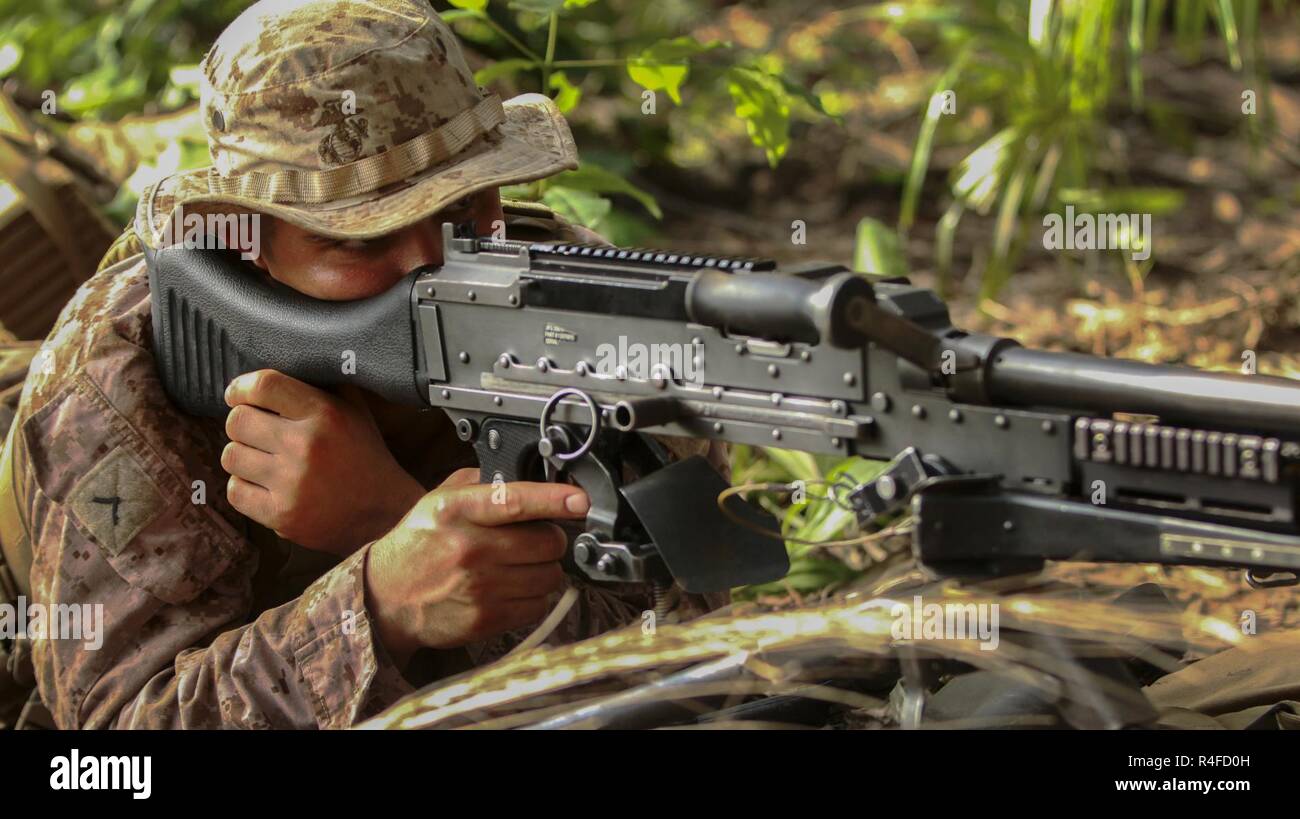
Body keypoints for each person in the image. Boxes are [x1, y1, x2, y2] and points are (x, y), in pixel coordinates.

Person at [0, 0, 723, 729]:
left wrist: (393, 522)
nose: (430, 268)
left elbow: (699, 662)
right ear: (249, 241)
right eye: (360, 240)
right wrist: (378, 600)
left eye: (464, 210)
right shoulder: (121, 373)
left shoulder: (583, 310)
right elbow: (115, 745)